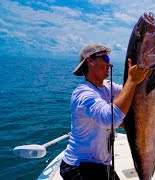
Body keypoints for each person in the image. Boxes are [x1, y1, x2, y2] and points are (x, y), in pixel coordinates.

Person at [59, 43, 149, 180]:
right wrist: (132, 80)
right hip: (78, 166)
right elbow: (109, 118)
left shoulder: (108, 86)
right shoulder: (82, 94)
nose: (109, 63)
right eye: (106, 59)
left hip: (101, 165)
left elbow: (131, 93)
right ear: (90, 60)